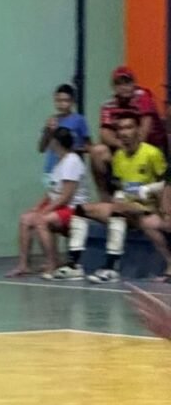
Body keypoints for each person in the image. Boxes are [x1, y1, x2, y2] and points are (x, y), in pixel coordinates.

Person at [52, 112, 166, 283]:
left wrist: (148, 190)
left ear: (138, 130)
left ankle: (110, 268)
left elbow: (166, 184)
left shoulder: (152, 153)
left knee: (118, 209)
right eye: (120, 128)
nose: (124, 132)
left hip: (147, 208)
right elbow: (121, 185)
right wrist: (119, 195)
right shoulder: (119, 156)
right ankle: (74, 265)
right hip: (125, 206)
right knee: (81, 210)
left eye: (129, 127)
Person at [7, 128, 89, 278]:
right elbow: (51, 192)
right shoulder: (59, 162)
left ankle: (52, 263)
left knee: (41, 220)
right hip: (60, 206)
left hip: (74, 209)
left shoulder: (72, 161)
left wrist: (43, 212)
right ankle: (23, 265)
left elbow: (65, 197)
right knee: (26, 218)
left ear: (56, 143)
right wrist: (37, 207)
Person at [91, 66, 166, 198]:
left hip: (150, 146)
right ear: (114, 87)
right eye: (119, 84)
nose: (124, 87)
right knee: (97, 151)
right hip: (125, 147)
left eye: (127, 82)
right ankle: (105, 198)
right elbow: (104, 133)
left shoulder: (142, 96)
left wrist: (134, 146)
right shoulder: (108, 105)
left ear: (134, 84)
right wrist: (121, 145)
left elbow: (145, 127)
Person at [38, 84, 91, 178]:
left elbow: (89, 146)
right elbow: (41, 148)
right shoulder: (52, 120)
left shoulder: (79, 120)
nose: (62, 104)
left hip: (71, 169)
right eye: (58, 100)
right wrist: (47, 131)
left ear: (72, 101)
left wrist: (69, 149)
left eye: (65, 100)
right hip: (51, 169)